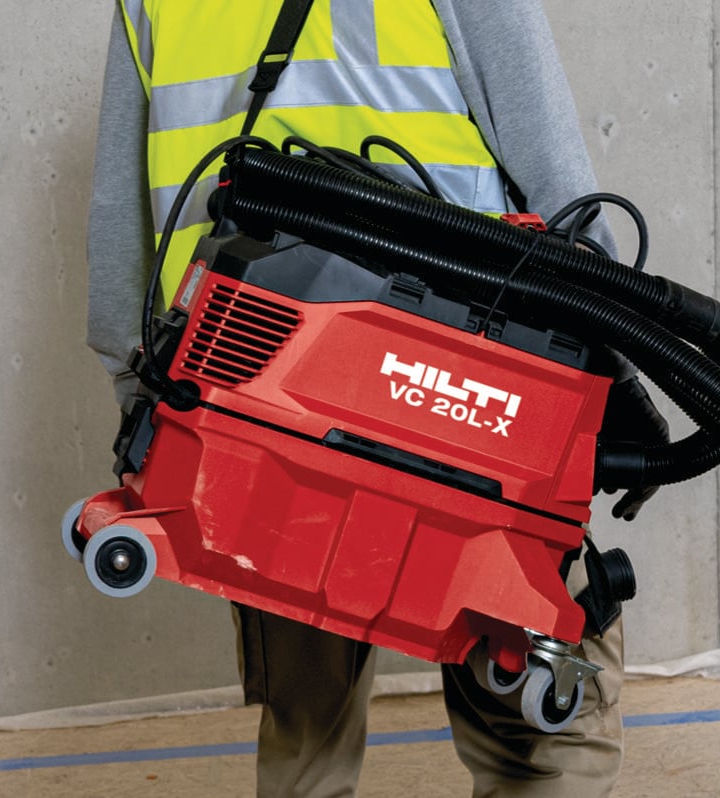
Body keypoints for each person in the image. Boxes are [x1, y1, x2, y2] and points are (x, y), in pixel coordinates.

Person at [85, 2, 625, 794]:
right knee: (542, 734)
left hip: (250, 398)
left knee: (307, 736)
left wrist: (143, 394)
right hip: (459, 388)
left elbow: (118, 218)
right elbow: (553, 178)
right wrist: (606, 375)